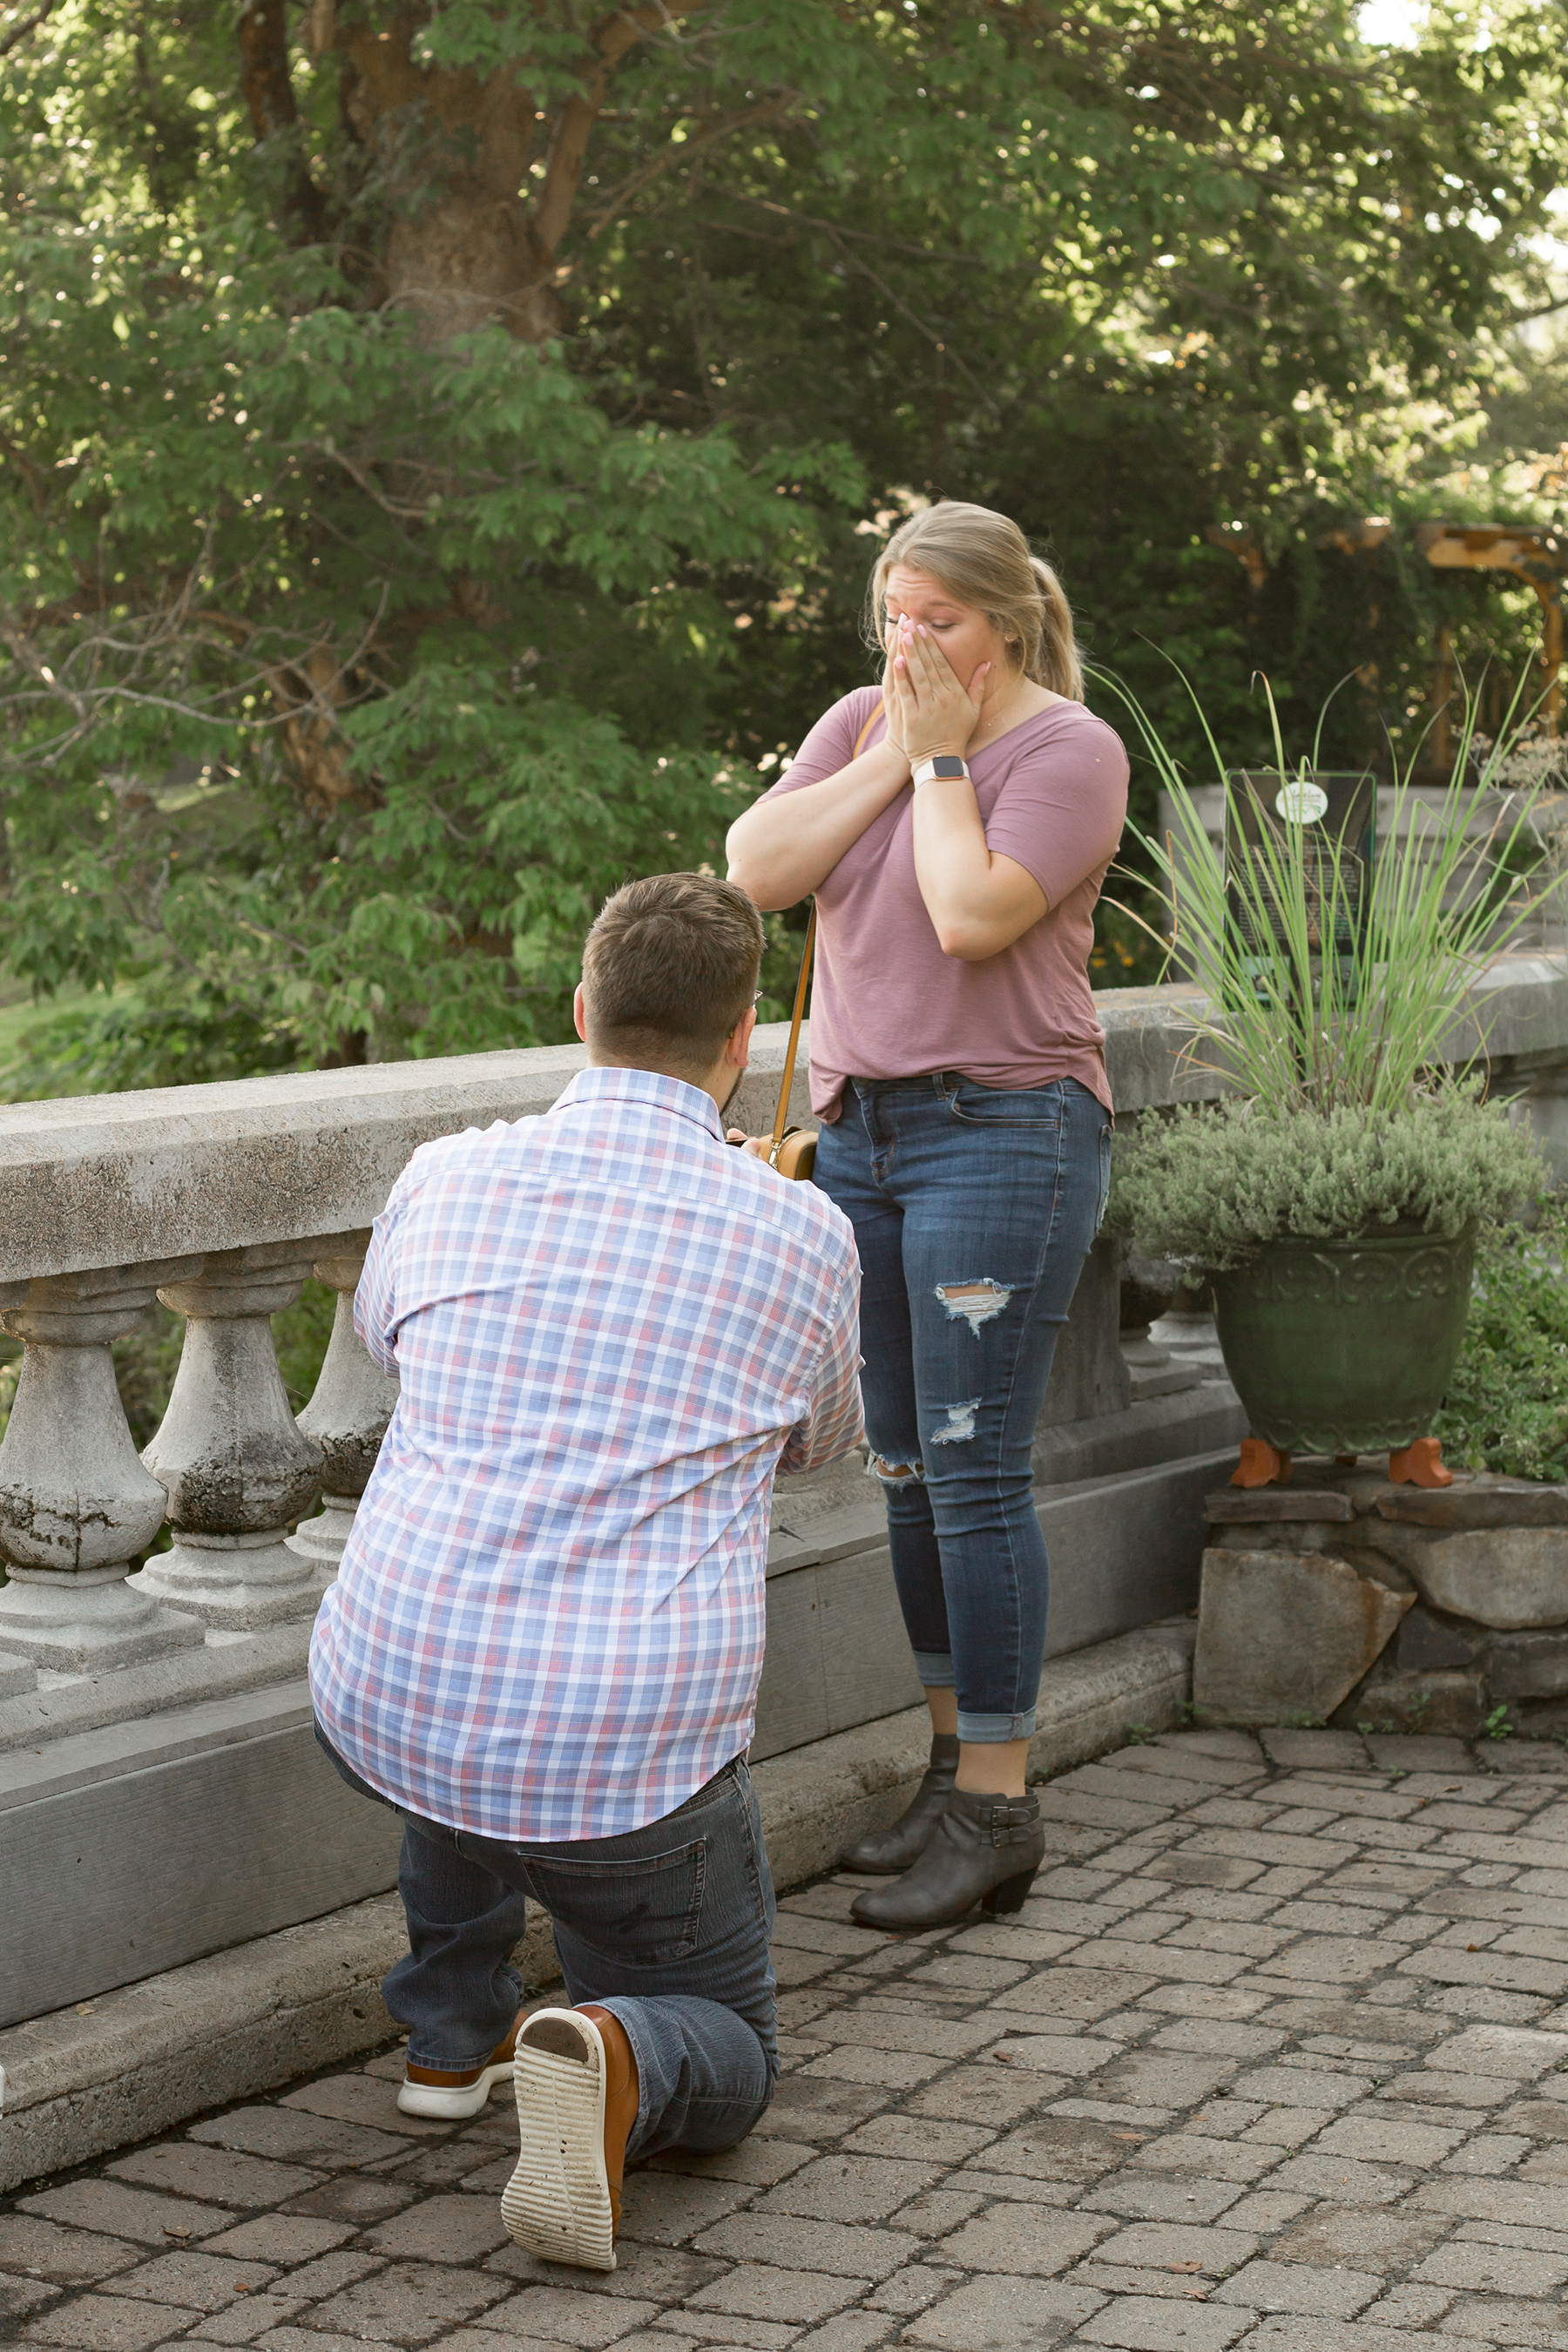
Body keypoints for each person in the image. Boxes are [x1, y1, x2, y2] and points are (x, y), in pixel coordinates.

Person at [308, 871, 862, 2274]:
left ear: (582, 1011)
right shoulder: (800, 1232)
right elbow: (822, 1450)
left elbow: (388, 1344)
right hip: (626, 1751)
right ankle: (604, 2049)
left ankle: (449, 2039)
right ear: (743, 1041)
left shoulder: (446, 1172)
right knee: (732, 2044)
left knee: (476, 1697)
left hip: (386, 1684)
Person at [726, 501, 1128, 1931]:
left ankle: (1003, 1808)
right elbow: (758, 876)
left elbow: (969, 916)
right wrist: (893, 745)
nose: (910, 644)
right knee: (901, 1466)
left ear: (1006, 622)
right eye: (893, 616)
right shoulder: (860, 720)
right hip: (863, 1138)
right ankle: (954, 1766)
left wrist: (942, 754)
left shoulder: (1067, 752)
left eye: (939, 620)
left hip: (1002, 1133)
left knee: (972, 1468)